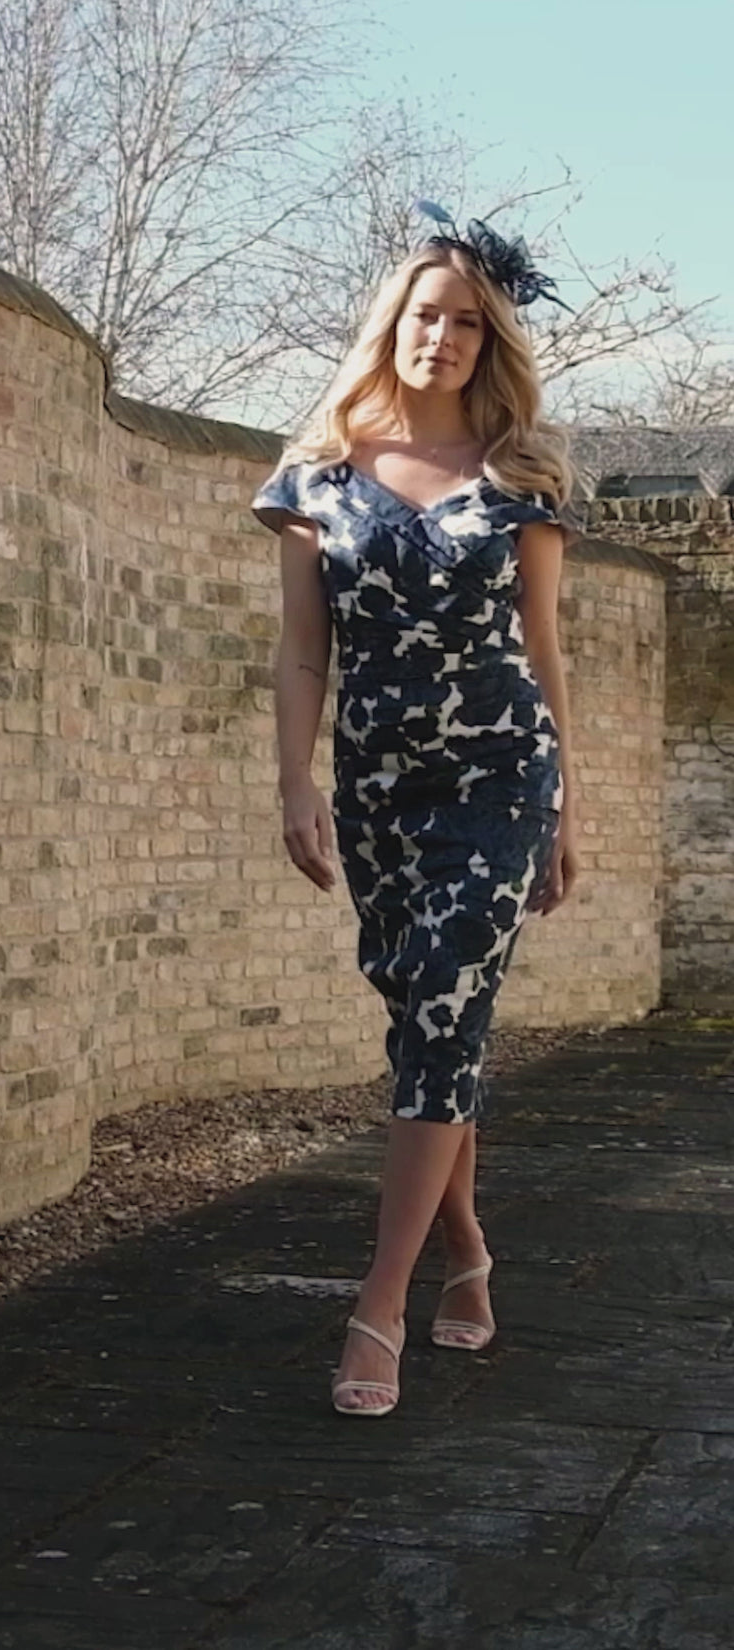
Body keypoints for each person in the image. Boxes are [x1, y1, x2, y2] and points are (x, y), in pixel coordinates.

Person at [251, 208, 580, 1417]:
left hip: (499, 781)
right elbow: (299, 658)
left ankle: (375, 1305)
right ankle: (468, 1253)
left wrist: (564, 806)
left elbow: (541, 652)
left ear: (487, 341)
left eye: (460, 322)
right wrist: (296, 781)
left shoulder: (521, 478)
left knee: (442, 1005)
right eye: (419, 315)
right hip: (379, 787)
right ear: (389, 327)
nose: (436, 336)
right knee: (423, 1027)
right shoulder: (316, 481)